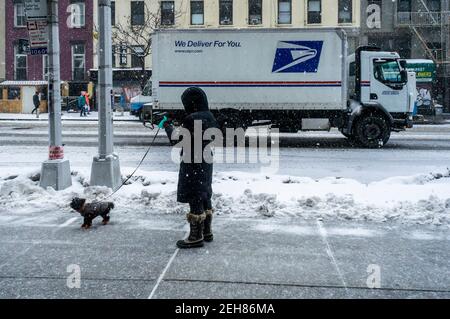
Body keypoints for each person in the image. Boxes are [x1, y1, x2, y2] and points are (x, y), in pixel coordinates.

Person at [162, 87, 218, 249]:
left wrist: (167, 126)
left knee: (194, 196)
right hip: (205, 160)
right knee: (204, 193)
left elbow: (177, 140)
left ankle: (195, 236)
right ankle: (207, 232)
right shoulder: (209, 116)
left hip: (192, 161)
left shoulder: (192, 119)